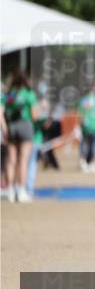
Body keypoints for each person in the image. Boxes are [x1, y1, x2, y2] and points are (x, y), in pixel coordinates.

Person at [3, 72, 40, 202]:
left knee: (11, 160)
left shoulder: (9, 94)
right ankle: (21, 190)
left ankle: (10, 191)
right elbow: (35, 116)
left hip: (11, 126)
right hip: (25, 126)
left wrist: (5, 129)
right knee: (23, 160)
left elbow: (1, 113)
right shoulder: (29, 94)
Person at [78, 84, 95, 172]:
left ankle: (83, 162)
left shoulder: (83, 100)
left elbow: (80, 115)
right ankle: (92, 163)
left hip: (85, 126)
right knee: (92, 145)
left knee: (84, 144)